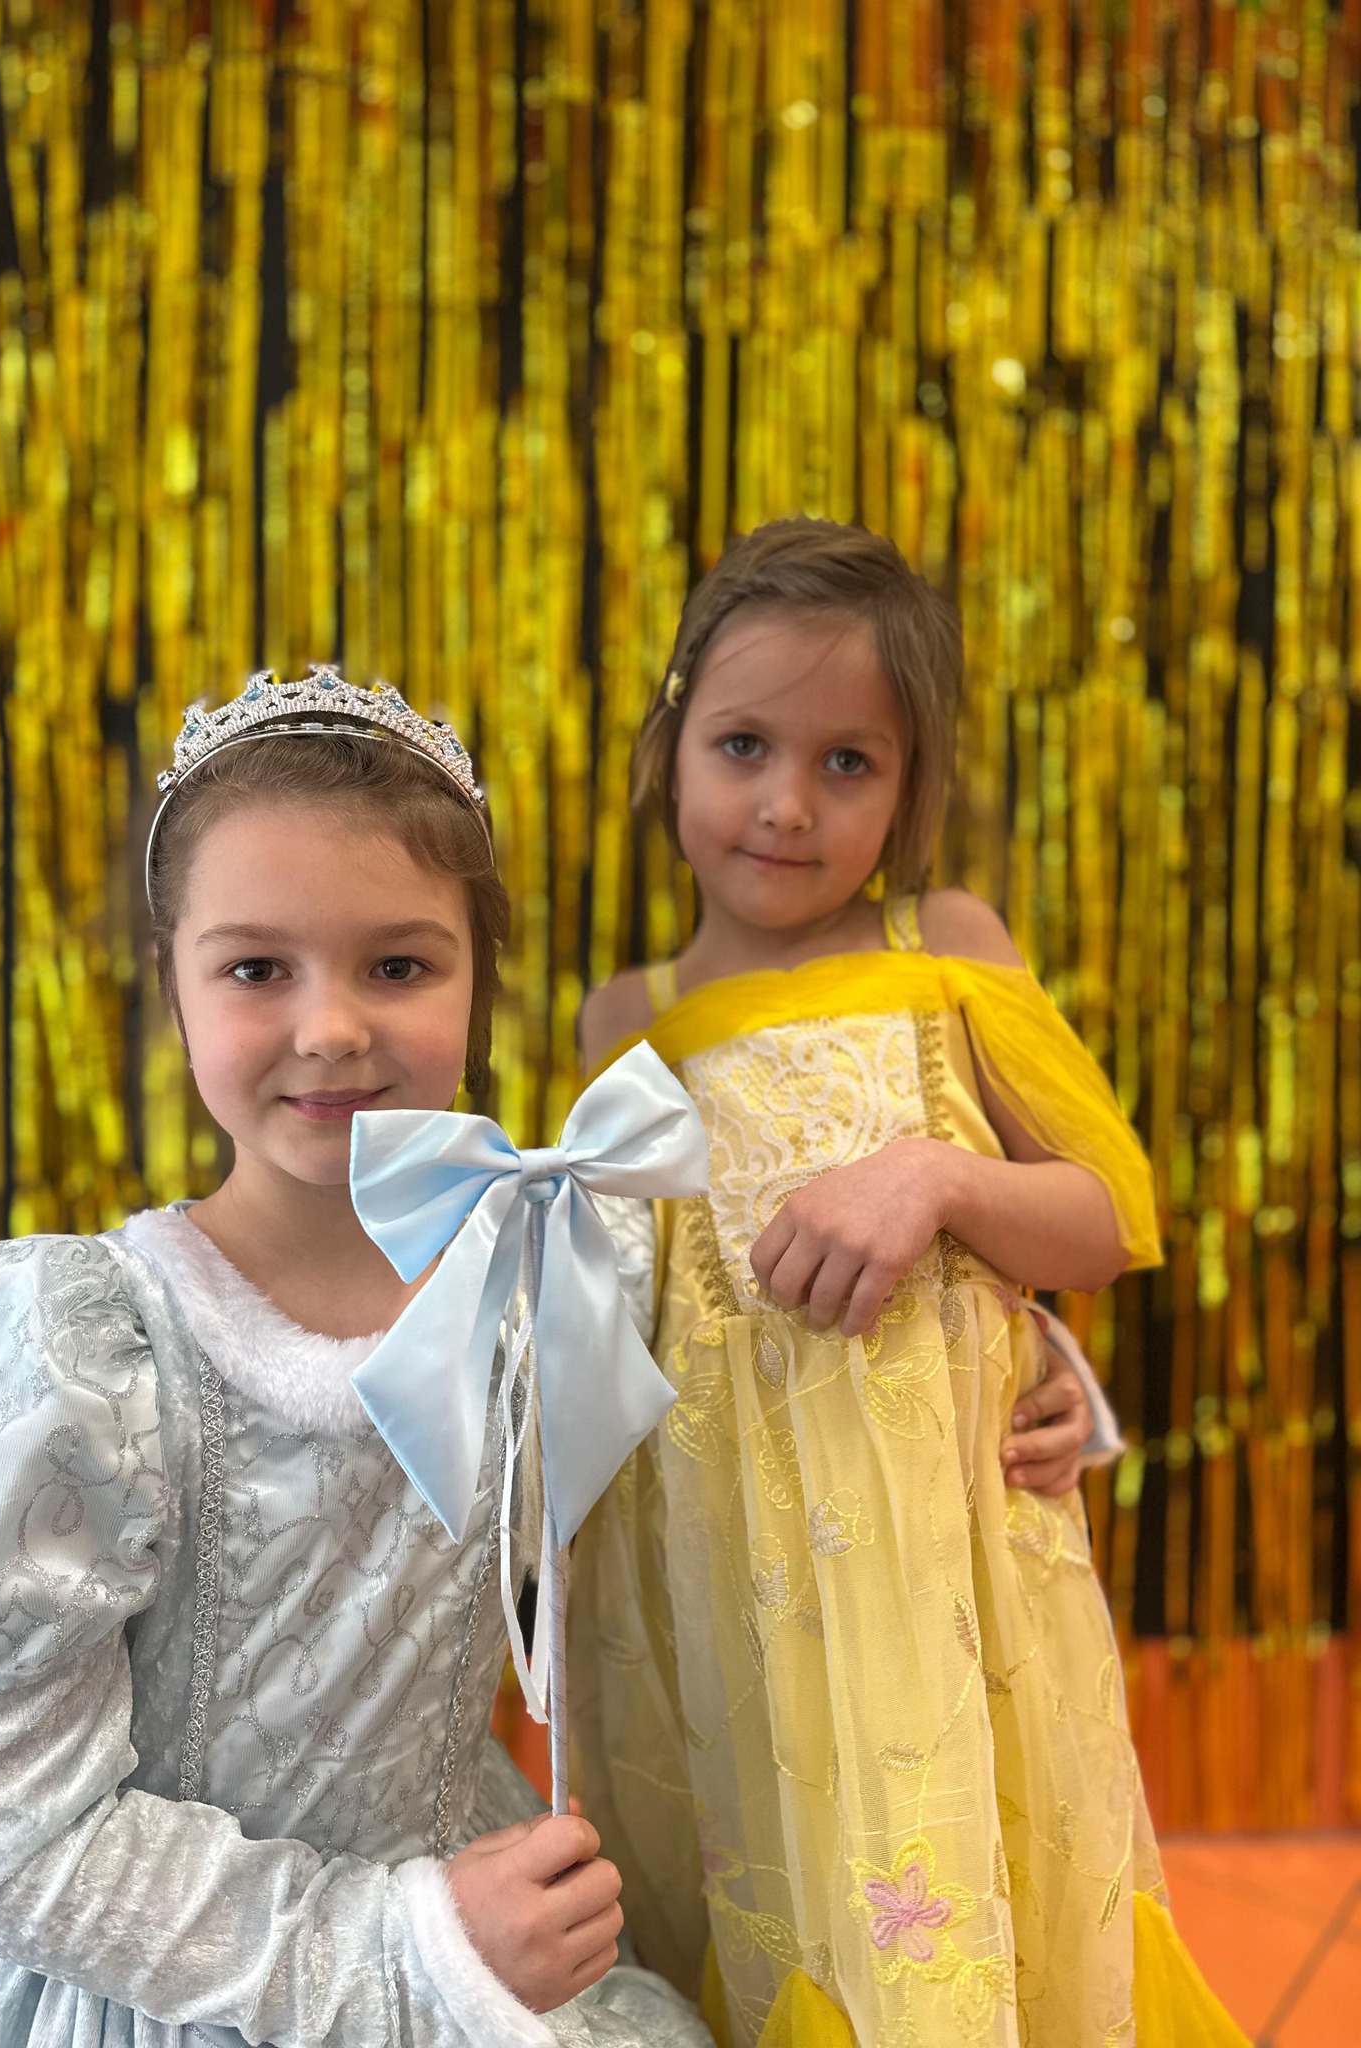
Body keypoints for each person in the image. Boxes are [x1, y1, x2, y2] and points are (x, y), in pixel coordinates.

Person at [0, 671, 714, 2048]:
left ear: (479, 983)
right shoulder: (76, 1349)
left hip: (475, 1910)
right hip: (142, 1984)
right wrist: (419, 1946)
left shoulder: (558, 1262)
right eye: (257, 970)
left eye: (399, 966)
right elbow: (18, 1841)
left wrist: (1018, 1376)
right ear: (174, 990)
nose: (332, 1028)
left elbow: (775, 1413)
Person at [572, 522, 1248, 2048]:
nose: (786, 805)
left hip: (952, 1578)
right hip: (736, 1587)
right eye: (744, 746)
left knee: (966, 1933)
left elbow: (1107, 1212)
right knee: (784, 1913)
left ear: (912, 784)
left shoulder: (942, 948)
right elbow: (617, 1314)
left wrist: (938, 1182)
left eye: (849, 763)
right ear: (671, 744)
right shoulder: (626, 1023)